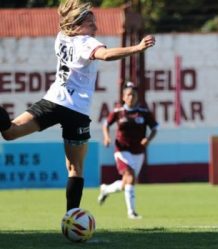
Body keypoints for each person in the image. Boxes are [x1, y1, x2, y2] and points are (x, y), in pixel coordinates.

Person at [0, 0, 155, 212]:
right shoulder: (86, 43)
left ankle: (72, 216)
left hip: (53, 101)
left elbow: (70, 27)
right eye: (91, 23)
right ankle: (71, 216)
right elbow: (107, 55)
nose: (95, 27)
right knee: (75, 168)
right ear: (78, 25)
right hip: (76, 111)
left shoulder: (61, 38)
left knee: (10, 131)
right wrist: (137, 48)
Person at [97, 82, 158, 219]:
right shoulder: (118, 112)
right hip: (121, 150)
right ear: (124, 97)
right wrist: (107, 137)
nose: (131, 97)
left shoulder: (143, 112)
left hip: (138, 152)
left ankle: (105, 189)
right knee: (129, 177)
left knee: (126, 183)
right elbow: (106, 124)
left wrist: (148, 139)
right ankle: (132, 212)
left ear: (137, 97)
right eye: (129, 94)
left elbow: (154, 128)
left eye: (134, 95)